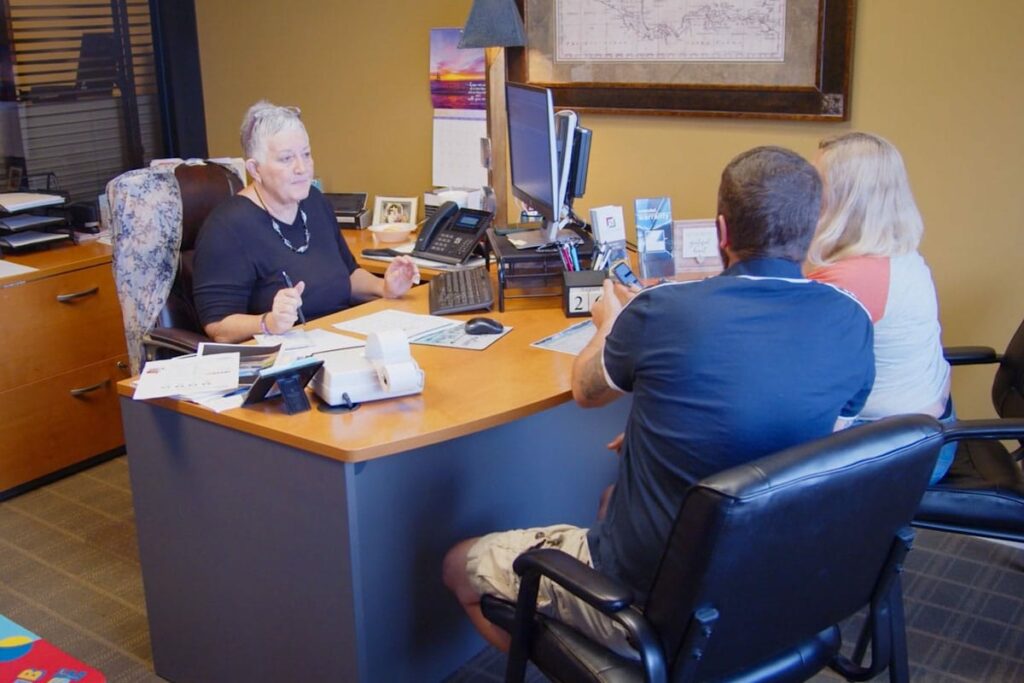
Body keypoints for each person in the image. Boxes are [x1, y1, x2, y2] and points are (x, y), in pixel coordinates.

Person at [443, 146, 876, 656]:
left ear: (721, 232)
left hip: (646, 609)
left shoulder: (661, 310)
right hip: (773, 589)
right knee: (609, 500)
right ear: (813, 228)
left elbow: (585, 391)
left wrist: (606, 326)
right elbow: (817, 445)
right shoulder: (852, 321)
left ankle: (592, 660)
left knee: (457, 565)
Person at [193, 101, 419, 343]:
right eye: (286, 158)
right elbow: (217, 326)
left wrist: (385, 287)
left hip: (340, 337)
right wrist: (268, 322)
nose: (302, 168)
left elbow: (347, 275)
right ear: (255, 169)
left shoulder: (314, 202)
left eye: (306, 154)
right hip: (282, 356)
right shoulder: (227, 227)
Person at [805, 131, 953, 484]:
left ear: (846, 198)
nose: (807, 195)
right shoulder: (896, 252)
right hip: (925, 430)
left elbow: (792, 362)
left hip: (897, 450)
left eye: (816, 184)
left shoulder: (853, 278)